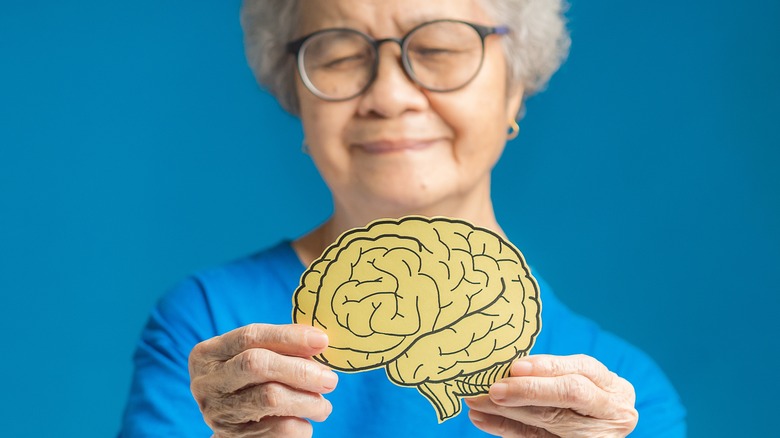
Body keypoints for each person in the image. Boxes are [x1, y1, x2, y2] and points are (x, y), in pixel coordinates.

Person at [119, 0, 686, 436]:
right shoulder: (208, 330)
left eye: (440, 48)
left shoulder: (623, 402)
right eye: (339, 56)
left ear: (516, 87)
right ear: (296, 95)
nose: (389, 96)